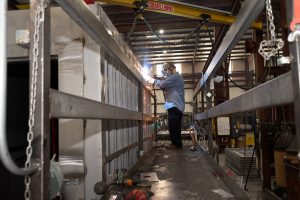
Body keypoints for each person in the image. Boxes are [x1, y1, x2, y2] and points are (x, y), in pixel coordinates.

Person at [146, 63, 185, 148]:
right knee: (173, 126)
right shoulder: (173, 78)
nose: (165, 73)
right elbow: (164, 85)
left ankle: (177, 144)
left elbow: (163, 84)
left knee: (174, 126)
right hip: (172, 105)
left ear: (171, 68)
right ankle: (174, 143)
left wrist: (151, 80)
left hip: (176, 106)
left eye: (166, 70)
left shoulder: (176, 77)